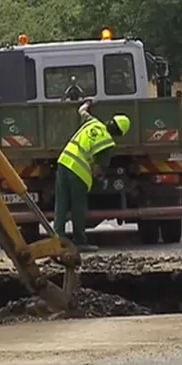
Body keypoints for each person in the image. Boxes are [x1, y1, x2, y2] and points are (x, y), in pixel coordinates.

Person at [54, 100, 131, 253]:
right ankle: (80, 241)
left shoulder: (93, 122)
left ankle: (58, 239)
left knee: (61, 203)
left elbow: (82, 110)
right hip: (78, 172)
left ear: (111, 121)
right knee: (78, 207)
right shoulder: (108, 144)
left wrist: (88, 102)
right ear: (119, 134)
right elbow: (97, 169)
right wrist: (98, 180)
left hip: (63, 162)